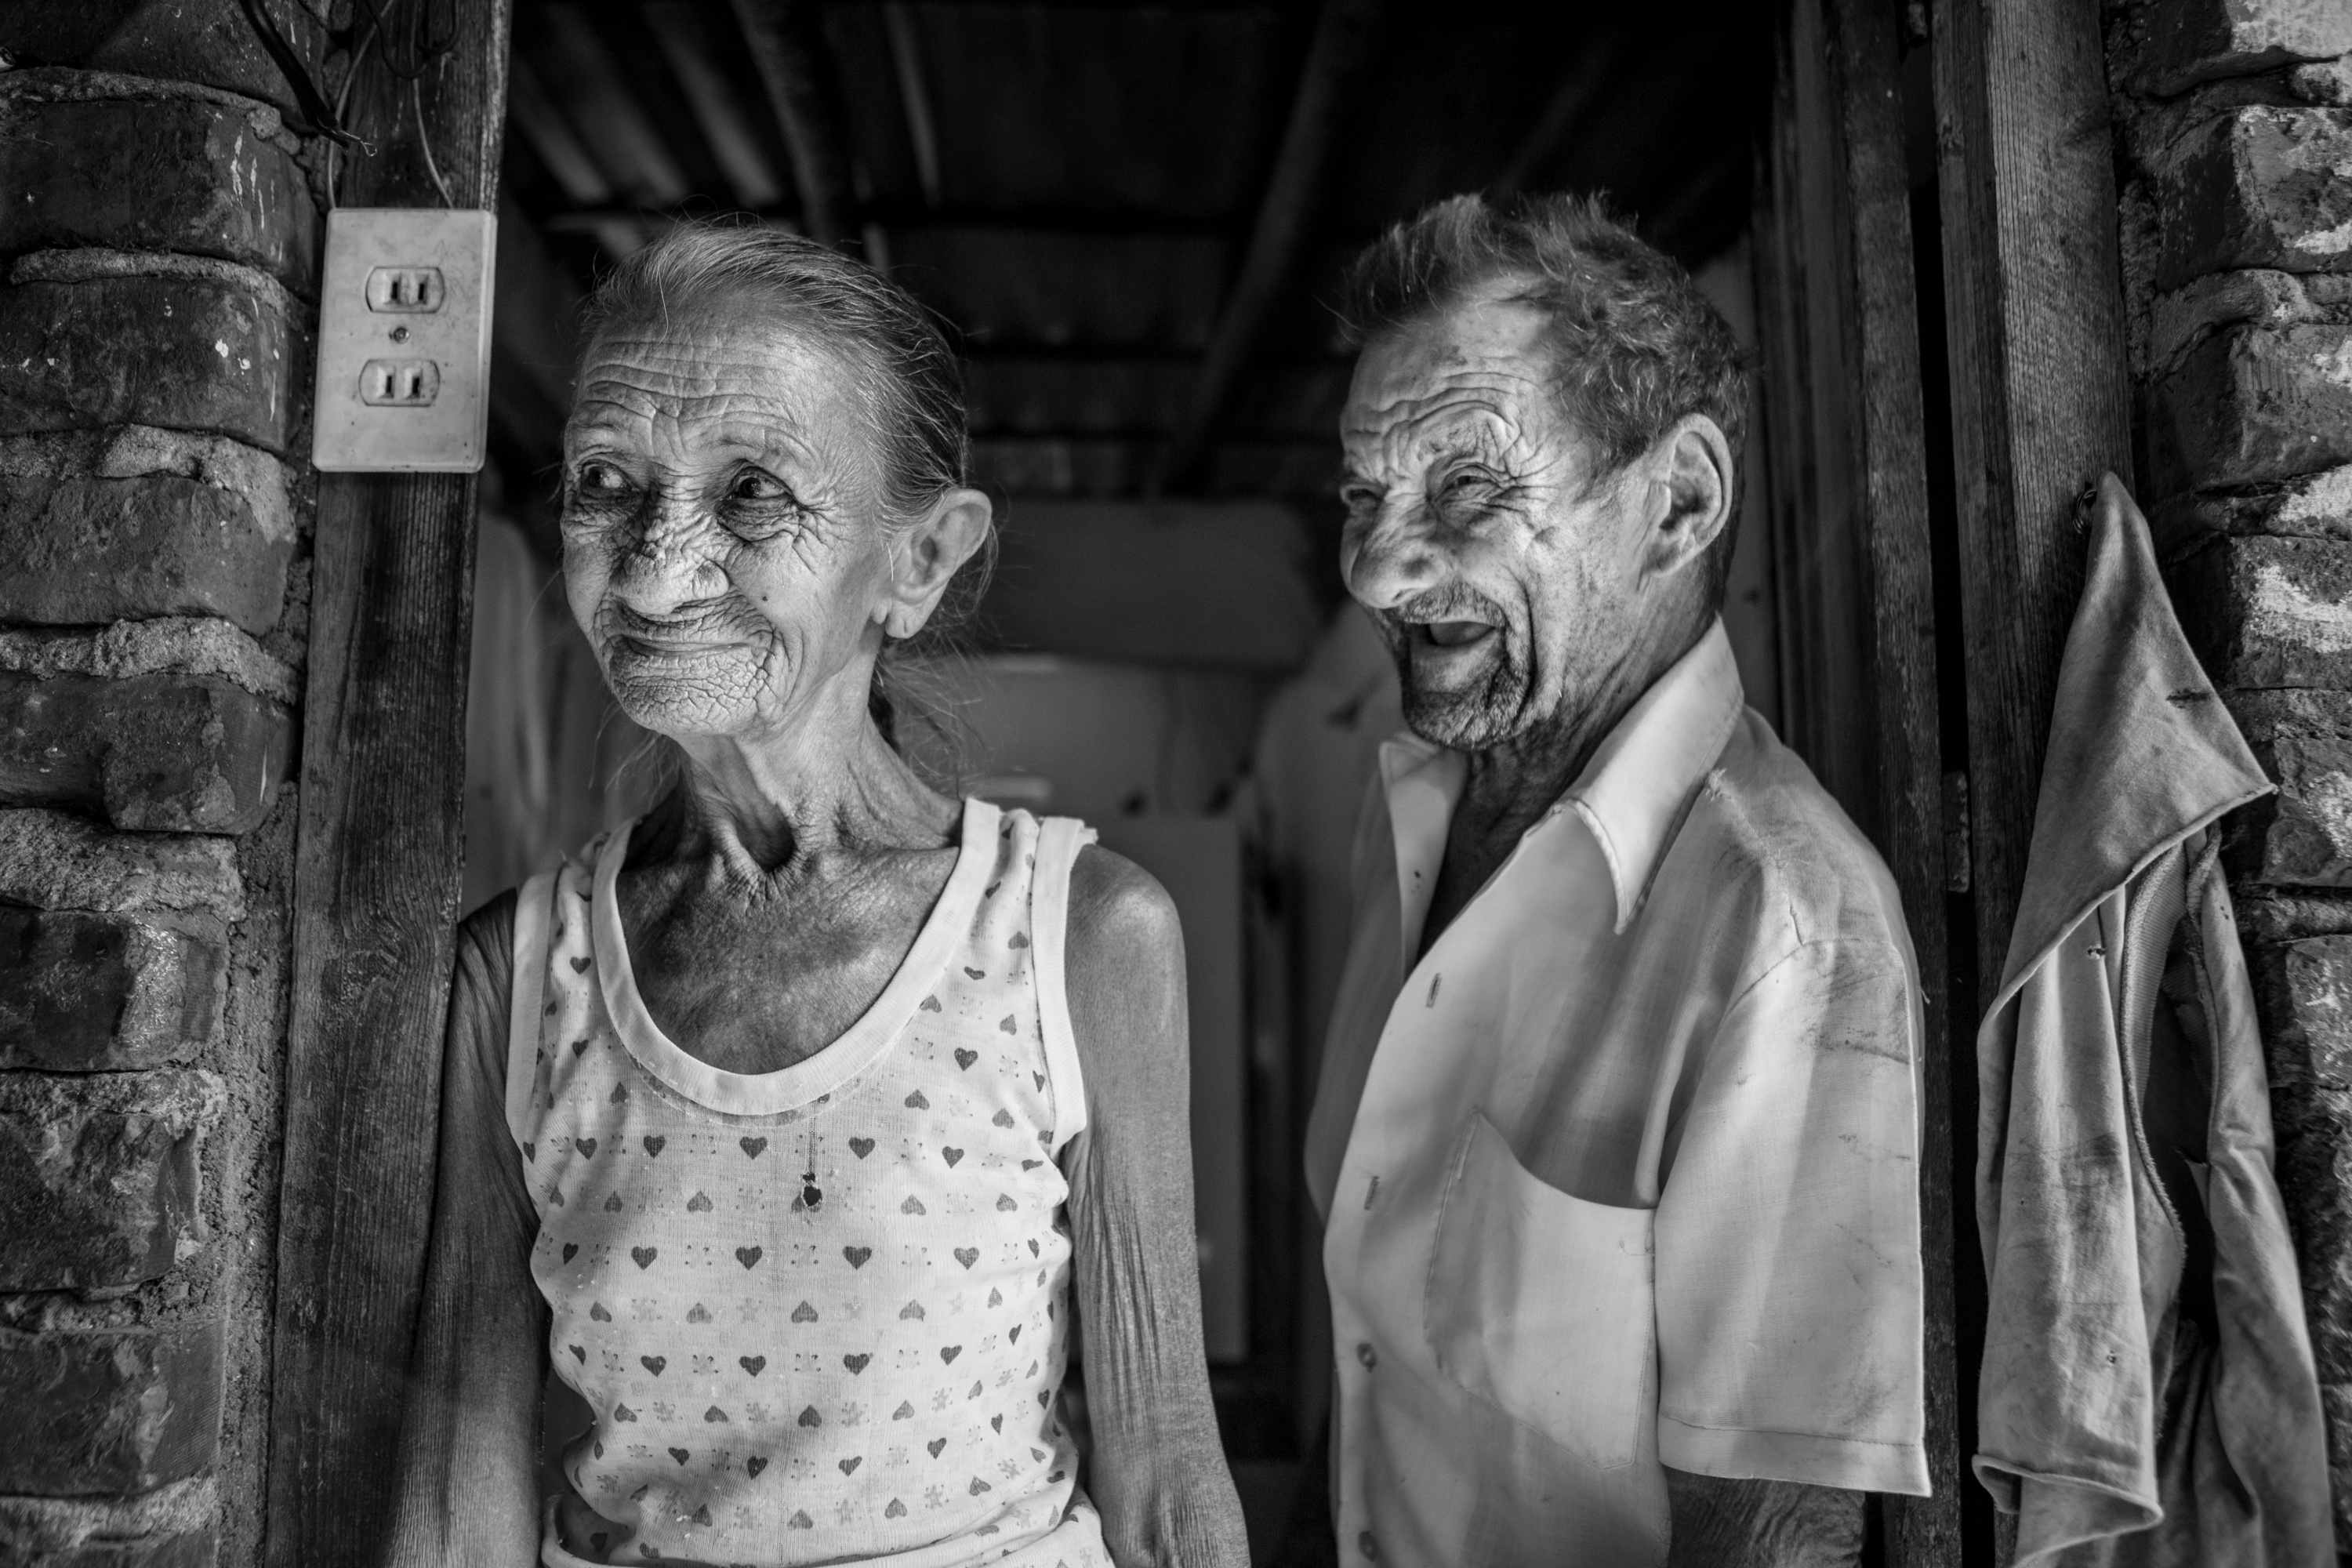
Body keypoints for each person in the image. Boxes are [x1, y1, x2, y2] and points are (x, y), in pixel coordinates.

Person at [386, 223, 1248, 1568]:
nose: (660, 567)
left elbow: (1168, 1484)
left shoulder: (1079, 936)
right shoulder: (519, 972)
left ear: (918, 563)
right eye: (607, 482)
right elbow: (460, 1482)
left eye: (751, 495)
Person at [1292, 194, 1930, 1567]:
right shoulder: (1408, 816)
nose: (1378, 568)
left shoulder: (1785, 926)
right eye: (1363, 494)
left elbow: (1772, 1533)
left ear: (1681, 501)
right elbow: (1374, 1369)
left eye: (1466, 489)